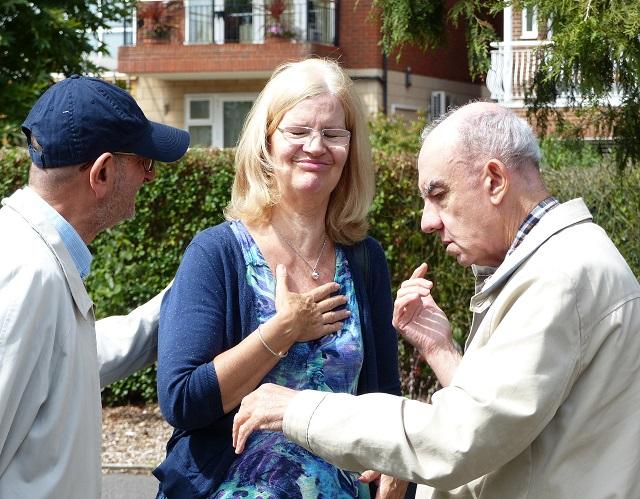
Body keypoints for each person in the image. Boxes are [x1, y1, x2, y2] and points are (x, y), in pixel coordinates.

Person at [231, 102, 640, 499]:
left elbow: (461, 439)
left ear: (494, 180)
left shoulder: (561, 276)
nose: (428, 221)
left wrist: (298, 410)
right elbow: (504, 420)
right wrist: (440, 350)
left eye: (439, 194)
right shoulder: (560, 262)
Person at [154, 58, 409, 498]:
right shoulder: (217, 254)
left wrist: (393, 462)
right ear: (267, 142)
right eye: (298, 131)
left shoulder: (365, 260)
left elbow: (381, 393)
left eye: (333, 134)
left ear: (351, 149)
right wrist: (284, 329)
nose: (316, 146)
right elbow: (182, 401)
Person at [0, 75, 190, 498]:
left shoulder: (32, 258)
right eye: (144, 161)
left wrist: (188, 294)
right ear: (102, 172)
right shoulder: (28, 273)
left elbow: (77, 359)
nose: (150, 176)